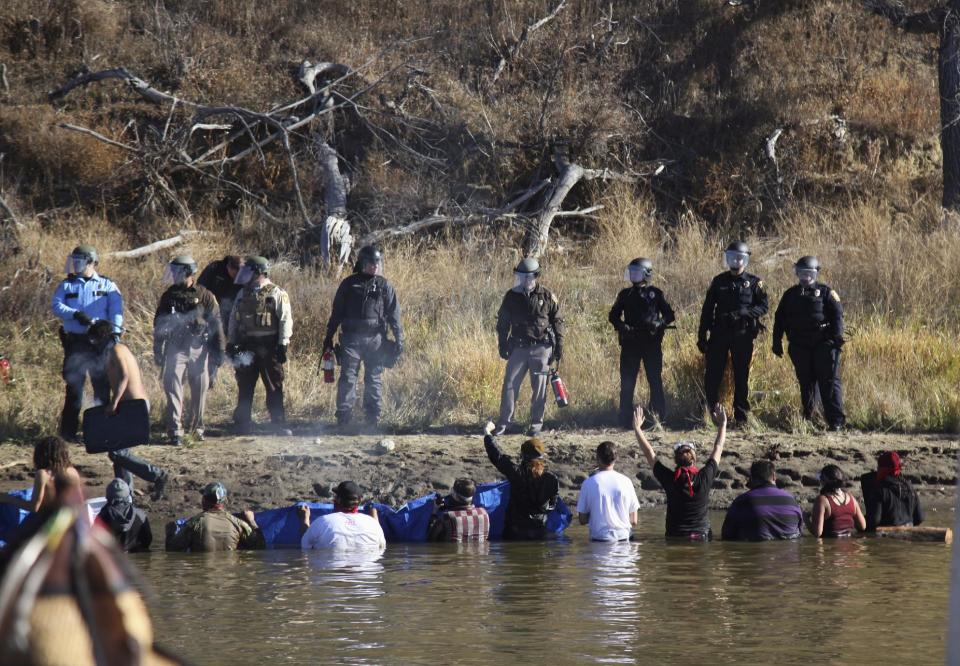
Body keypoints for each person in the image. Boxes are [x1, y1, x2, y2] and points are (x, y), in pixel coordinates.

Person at [322, 245, 404, 429]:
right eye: (370, 263)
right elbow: (336, 313)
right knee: (348, 378)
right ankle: (344, 419)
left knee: (373, 379)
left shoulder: (385, 286)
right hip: (351, 340)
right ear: (362, 263)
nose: (375, 266)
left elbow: (394, 315)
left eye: (377, 263)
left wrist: (400, 339)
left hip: (376, 340)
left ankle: (372, 420)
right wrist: (328, 337)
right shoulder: (348, 284)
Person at [51, 244, 123, 441]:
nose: (74, 264)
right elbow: (56, 305)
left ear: (91, 261)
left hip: (100, 344)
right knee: (74, 388)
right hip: (76, 344)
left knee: (101, 387)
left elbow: (117, 311)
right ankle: (68, 433)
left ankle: (101, 432)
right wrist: (75, 313)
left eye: (79, 260)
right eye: (73, 260)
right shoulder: (67, 285)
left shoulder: (108, 285)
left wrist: (115, 336)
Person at [89, 321, 168, 500]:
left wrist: (114, 402)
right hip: (130, 406)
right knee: (117, 452)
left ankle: (157, 475)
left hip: (133, 406)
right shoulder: (115, 350)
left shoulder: (117, 350)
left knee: (117, 452)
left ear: (102, 337)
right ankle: (126, 494)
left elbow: (124, 376)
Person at [153, 255, 225, 445]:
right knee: (172, 386)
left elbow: (216, 323)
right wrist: (158, 350)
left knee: (200, 388)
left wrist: (219, 352)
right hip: (176, 348)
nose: (173, 275)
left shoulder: (205, 295)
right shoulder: (169, 295)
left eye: (176, 271)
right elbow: (159, 324)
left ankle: (197, 428)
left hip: (199, 349)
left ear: (186, 272)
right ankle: (175, 430)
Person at [697, 241, 768, 426]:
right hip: (719, 333)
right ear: (727, 259)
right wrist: (701, 335)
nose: (735, 261)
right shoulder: (719, 281)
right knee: (713, 374)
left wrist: (746, 312)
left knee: (741, 375)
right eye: (732, 257)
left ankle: (741, 415)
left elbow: (763, 306)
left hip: (742, 334)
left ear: (745, 260)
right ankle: (711, 412)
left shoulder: (754, 282)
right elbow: (707, 310)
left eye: (739, 258)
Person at [772, 256, 846, 430]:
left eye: (809, 273)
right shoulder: (790, 294)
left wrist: (837, 337)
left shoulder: (826, 292)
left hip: (823, 344)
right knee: (806, 383)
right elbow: (779, 319)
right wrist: (776, 342)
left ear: (816, 274)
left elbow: (838, 315)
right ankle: (809, 417)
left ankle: (836, 421)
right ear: (797, 273)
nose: (806, 277)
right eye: (802, 273)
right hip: (799, 346)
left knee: (829, 382)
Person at [633, 403, 726, 540]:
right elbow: (718, 447)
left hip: (675, 537)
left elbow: (649, 453)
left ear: (675, 460)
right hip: (701, 537)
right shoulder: (705, 476)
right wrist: (722, 424)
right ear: (694, 459)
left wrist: (637, 428)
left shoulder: (670, 479)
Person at [494, 258, 565, 436]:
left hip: (542, 348)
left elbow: (557, 321)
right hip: (518, 347)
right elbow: (502, 322)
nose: (523, 281)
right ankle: (504, 423)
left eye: (527, 277)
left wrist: (559, 345)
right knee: (510, 384)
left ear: (535, 276)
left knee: (540, 387)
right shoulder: (511, 296)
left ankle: (536, 424)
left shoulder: (547, 295)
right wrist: (502, 344)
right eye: (520, 276)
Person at [227, 256, 293, 435]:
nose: (246, 276)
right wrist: (232, 342)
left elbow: (285, 319)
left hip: (269, 346)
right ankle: (242, 423)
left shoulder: (276, 293)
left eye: (250, 271)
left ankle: (278, 423)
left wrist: (283, 344)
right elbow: (234, 318)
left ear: (259, 272)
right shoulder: (243, 293)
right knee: (245, 385)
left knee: (274, 385)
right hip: (247, 345)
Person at [608, 257, 676, 427]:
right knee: (627, 381)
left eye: (636, 272)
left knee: (654, 380)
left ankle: (658, 417)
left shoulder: (656, 294)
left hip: (651, 343)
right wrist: (622, 326)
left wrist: (659, 323)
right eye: (631, 271)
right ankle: (625, 418)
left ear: (646, 274)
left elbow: (670, 315)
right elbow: (613, 316)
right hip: (630, 343)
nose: (632, 275)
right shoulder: (625, 294)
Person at [483, 425, 560, 539]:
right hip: (539, 531)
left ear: (523, 456)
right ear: (542, 458)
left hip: (515, 532)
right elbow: (552, 505)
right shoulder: (552, 479)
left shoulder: (517, 473)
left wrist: (487, 433)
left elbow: (497, 456)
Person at [165, 482, 265, 552]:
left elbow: (172, 549)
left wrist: (170, 532)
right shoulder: (238, 523)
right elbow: (260, 546)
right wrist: (252, 521)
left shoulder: (194, 523)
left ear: (204, 500)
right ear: (225, 501)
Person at [720, 460, 803, 540]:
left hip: (755, 551)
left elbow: (726, 535)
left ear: (751, 478)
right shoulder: (792, 501)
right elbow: (799, 531)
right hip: (789, 550)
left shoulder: (741, 502)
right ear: (774, 476)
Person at [576, 441, 640, 542]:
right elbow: (634, 521)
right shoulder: (626, 481)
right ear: (616, 458)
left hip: (600, 540)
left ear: (597, 458)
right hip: (625, 540)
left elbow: (582, 520)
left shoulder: (588, 483)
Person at [0, 435, 80, 513]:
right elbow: (79, 500)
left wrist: (10, 499)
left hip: (51, 520)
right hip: (71, 518)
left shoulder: (43, 474)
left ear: (41, 454)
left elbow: (34, 507)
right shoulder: (73, 471)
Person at [299, 481, 386, 551]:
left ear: (338, 500)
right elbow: (381, 547)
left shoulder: (323, 522)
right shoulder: (373, 524)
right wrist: (374, 514)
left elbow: (305, 544)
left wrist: (305, 519)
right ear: (359, 501)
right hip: (368, 572)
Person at [860, 451, 924, 531]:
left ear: (881, 468)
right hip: (909, 533)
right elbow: (919, 519)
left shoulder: (880, 490)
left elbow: (874, 521)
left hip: (887, 535)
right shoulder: (909, 487)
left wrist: (859, 521)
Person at [809, 464, 867, 538]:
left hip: (832, 546)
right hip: (851, 545)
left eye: (820, 477)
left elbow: (817, 533)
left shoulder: (822, 500)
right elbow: (863, 526)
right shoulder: (851, 497)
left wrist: (806, 519)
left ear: (824, 480)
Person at [97, 478, 152, 552]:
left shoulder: (103, 515)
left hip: (111, 558)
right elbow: (148, 540)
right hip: (136, 557)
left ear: (108, 495)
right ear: (127, 495)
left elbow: (94, 542)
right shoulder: (140, 514)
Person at [427, 478, 491, 542]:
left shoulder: (448, 516)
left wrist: (434, 512)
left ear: (455, 495)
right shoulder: (484, 513)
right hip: (480, 551)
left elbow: (430, 537)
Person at [196, 254, 243, 331]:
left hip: (230, 311)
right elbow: (200, 288)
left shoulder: (243, 275)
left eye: (239, 275)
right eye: (235, 274)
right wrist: (210, 298)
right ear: (229, 267)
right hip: (210, 307)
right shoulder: (215, 268)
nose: (236, 278)